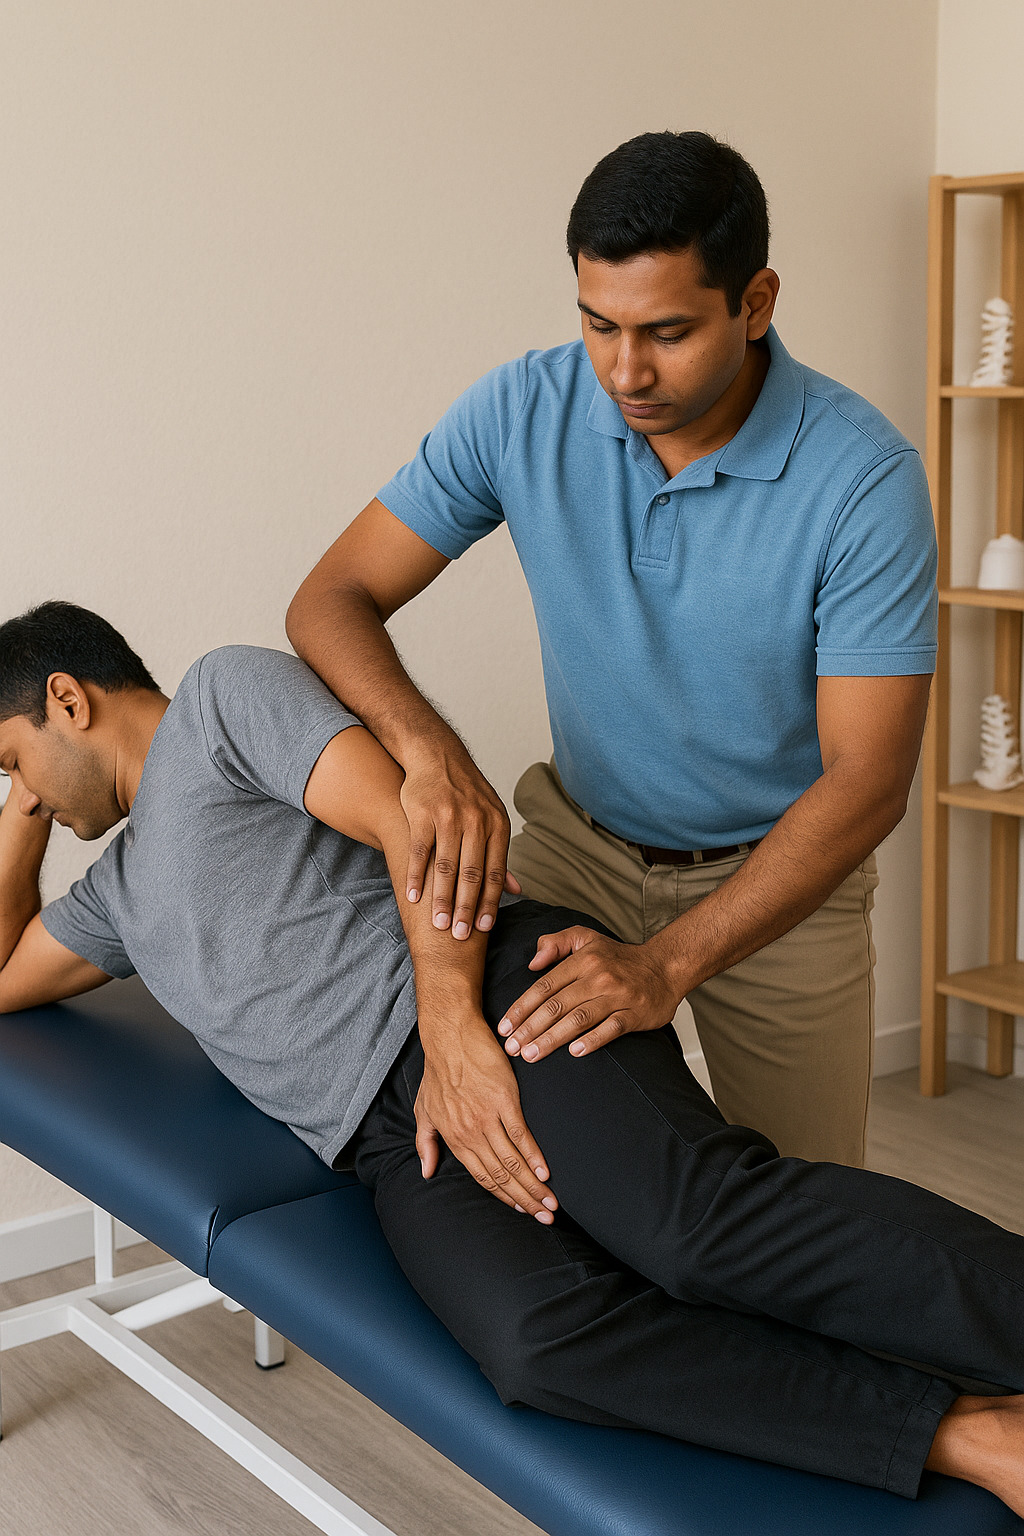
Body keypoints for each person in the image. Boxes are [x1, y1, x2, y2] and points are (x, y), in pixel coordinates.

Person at [0, 601, 1022, 1514]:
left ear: (68, 699)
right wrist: (23, 820)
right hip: (390, 1144)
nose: (20, 788)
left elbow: (425, 829)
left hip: (487, 1002)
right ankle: (961, 1431)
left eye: (11, 761)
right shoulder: (115, 896)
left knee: (689, 1229)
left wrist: (452, 1040)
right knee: (536, 1345)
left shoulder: (223, 701)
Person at [286, 130, 938, 1168]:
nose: (625, 369)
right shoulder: (521, 407)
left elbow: (867, 783)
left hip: (776, 880)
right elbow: (332, 597)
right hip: (576, 847)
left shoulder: (862, 479)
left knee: (812, 1218)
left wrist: (665, 965)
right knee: (521, 1157)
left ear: (755, 302)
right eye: (599, 325)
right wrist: (430, 751)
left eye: (667, 332)